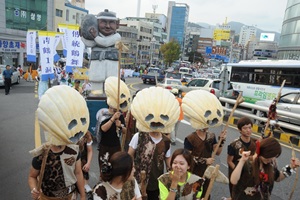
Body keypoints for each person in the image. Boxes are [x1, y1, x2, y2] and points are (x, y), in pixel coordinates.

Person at [28, 85, 88, 200]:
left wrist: (83, 195)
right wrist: (34, 189)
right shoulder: (42, 154)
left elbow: (78, 173)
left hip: (70, 196)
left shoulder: (74, 151)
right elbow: (32, 176)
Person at [128, 87, 180, 200]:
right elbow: (129, 155)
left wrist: (173, 174)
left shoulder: (166, 141)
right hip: (138, 180)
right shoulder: (139, 136)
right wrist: (130, 171)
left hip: (156, 182)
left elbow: (167, 160)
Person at [182, 90, 226, 199]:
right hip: (193, 173)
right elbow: (188, 158)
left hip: (207, 172)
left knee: (206, 195)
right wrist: (205, 161)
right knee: (192, 195)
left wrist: (221, 140)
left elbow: (218, 152)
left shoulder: (211, 136)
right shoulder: (190, 138)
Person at [230, 137, 300, 200]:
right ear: (262, 152)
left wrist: (291, 167)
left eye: (274, 156)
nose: (271, 159)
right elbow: (233, 180)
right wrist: (242, 160)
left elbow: (278, 177)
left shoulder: (271, 164)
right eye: (269, 156)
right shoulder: (246, 163)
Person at [80, 9, 121, 95]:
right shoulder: (95, 37)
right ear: (97, 23)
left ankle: (111, 98)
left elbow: (105, 43)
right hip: (97, 64)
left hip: (112, 64)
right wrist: (83, 35)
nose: (108, 26)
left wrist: (95, 36)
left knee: (112, 85)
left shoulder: (117, 36)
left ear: (117, 25)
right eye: (104, 22)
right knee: (96, 86)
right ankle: (96, 98)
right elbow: (89, 43)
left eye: (111, 23)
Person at [227, 117, 257, 197]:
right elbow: (229, 161)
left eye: (250, 128)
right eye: (245, 128)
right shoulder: (234, 145)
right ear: (240, 130)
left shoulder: (255, 143)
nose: (248, 130)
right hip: (237, 176)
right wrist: (238, 171)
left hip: (251, 176)